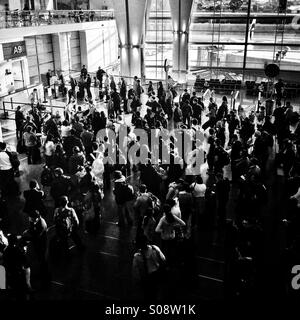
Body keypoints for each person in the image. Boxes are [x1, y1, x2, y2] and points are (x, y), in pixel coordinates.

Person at [132, 234, 166, 301]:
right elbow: (163, 259)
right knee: (156, 291)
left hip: (146, 277)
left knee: (147, 294)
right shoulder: (155, 248)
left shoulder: (137, 256)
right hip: (157, 274)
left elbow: (135, 271)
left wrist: (137, 281)